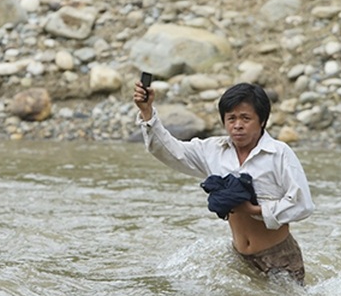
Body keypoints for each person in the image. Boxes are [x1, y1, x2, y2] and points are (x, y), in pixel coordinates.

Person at [134, 80, 314, 284]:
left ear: (262, 120)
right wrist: (147, 112)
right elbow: (170, 152)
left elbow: (303, 204)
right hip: (239, 258)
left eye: (246, 118)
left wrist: (254, 210)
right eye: (231, 118)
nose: (237, 125)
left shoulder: (279, 154)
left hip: (279, 256)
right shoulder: (213, 150)